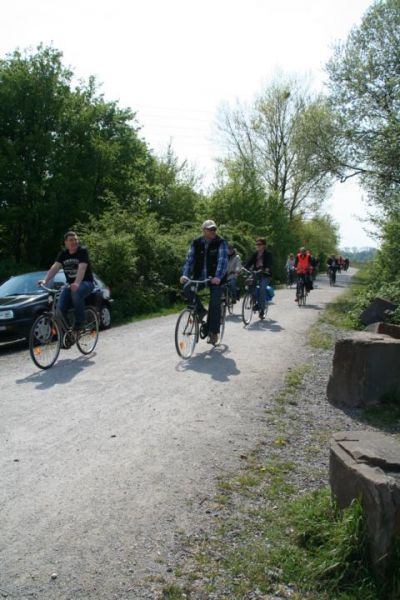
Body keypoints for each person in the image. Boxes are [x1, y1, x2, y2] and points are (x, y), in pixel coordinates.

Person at [180, 220, 228, 345]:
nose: (213, 231)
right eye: (210, 229)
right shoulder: (196, 243)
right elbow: (189, 259)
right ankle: (201, 311)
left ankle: (213, 332)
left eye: (214, 229)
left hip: (216, 279)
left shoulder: (221, 242)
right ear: (203, 230)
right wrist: (185, 274)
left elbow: (222, 261)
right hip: (200, 277)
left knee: (214, 303)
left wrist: (218, 277)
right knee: (187, 288)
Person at [39, 231, 95, 332]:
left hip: (86, 283)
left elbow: (82, 268)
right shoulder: (63, 254)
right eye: (71, 240)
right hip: (70, 285)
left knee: (76, 291)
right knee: (59, 309)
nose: (74, 242)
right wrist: (45, 280)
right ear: (66, 243)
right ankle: (67, 333)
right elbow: (55, 268)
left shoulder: (82, 251)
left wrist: (77, 283)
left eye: (75, 240)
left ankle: (80, 323)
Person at [244, 238, 273, 319]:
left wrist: (266, 269)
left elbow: (269, 264)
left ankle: (262, 309)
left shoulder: (268, 254)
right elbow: (249, 262)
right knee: (249, 284)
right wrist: (243, 268)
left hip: (265, 274)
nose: (257, 246)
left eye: (259, 244)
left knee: (262, 289)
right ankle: (255, 300)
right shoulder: (255, 254)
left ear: (264, 245)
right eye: (256, 244)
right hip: (256, 273)